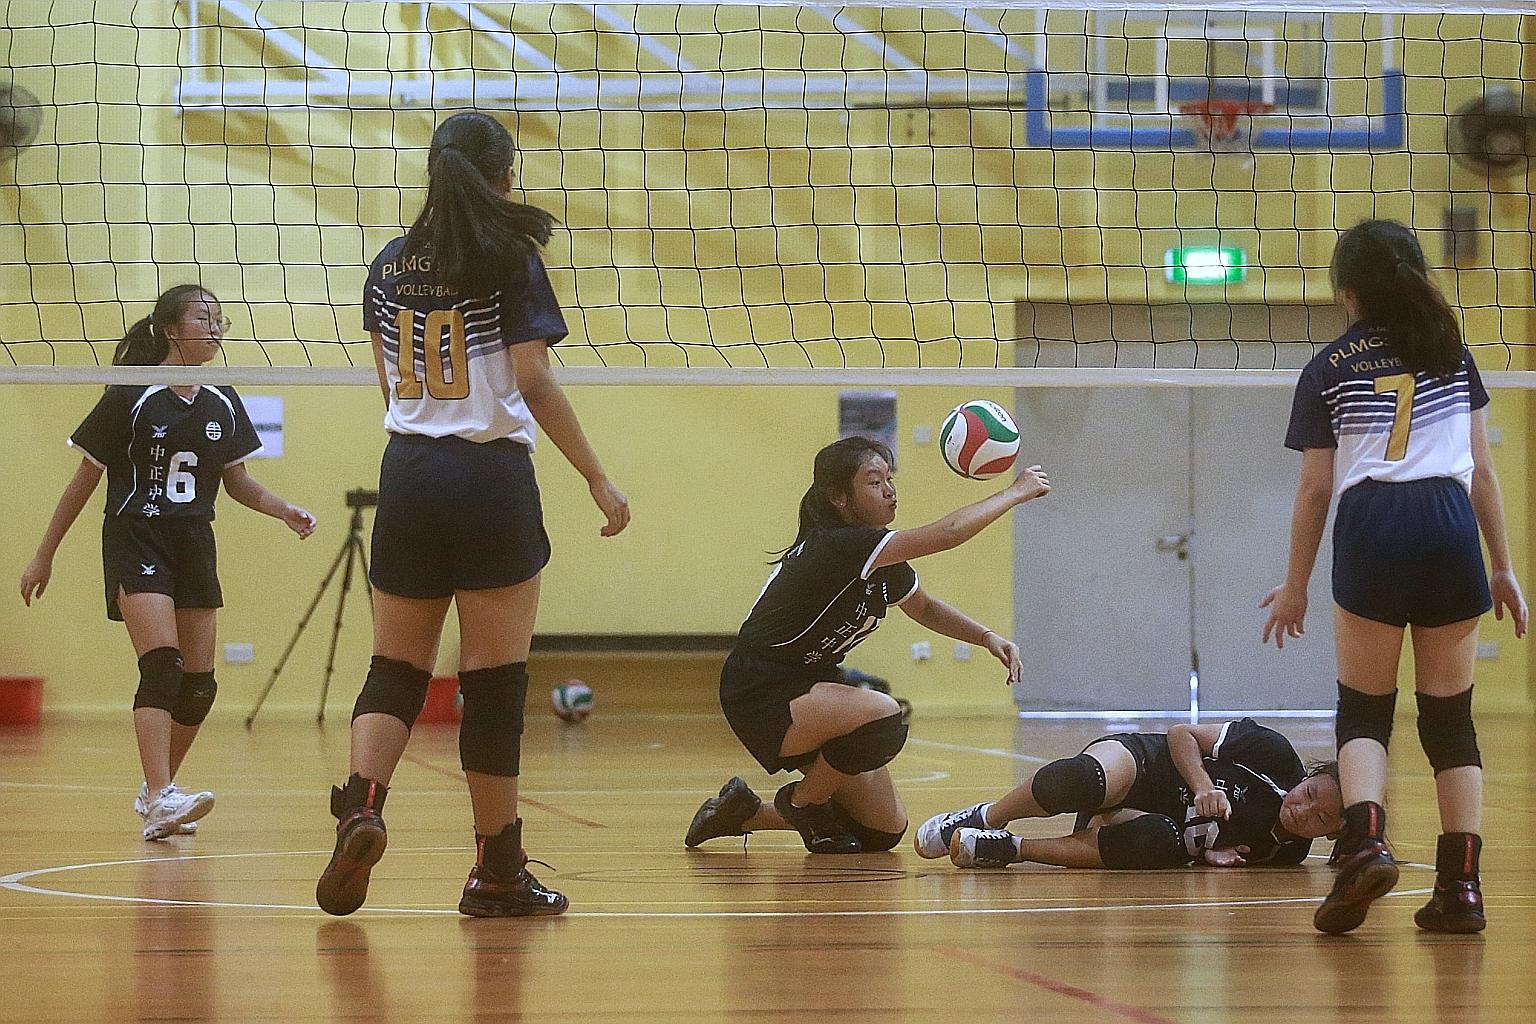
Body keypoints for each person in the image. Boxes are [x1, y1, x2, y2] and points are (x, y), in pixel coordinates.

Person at [315, 111, 629, 918]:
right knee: (492, 685)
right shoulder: (508, 260)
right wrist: (597, 476)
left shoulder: (388, 265)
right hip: (489, 478)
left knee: (395, 667)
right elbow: (534, 380)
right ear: (503, 177)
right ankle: (497, 873)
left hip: (409, 472)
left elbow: (389, 385)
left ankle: (361, 807)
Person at [1261, 218, 1527, 934]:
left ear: (1348, 292)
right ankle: (1460, 888)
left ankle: (1366, 845)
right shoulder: (1450, 352)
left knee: (1364, 712)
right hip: (1448, 521)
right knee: (1451, 722)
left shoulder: (1329, 366)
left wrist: (1295, 585)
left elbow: (1315, 490)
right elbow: (1483, 472)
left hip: (1374, 522)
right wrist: (1503, 567)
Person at [19, 285, 317, 841]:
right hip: (136, 535)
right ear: (169, 329)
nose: (215, 329)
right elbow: (84, 481)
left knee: (199, 686)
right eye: (204, 318)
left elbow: (239, 482)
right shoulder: (131, 393)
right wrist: (44, 554)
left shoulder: (222, 397)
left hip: (194, 540)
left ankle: (160, 792)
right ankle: (160, 796)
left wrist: (283, 510)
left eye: (219, 320)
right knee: (162, 666)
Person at [685, 436, 1049, 854]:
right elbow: (949, 533)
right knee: (882, 716)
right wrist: (1015, 492)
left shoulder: (878, 559)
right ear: (839, 497)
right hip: (761, 691)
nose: (889, 490)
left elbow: (924, 607)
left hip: (812, 685)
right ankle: (803, 804)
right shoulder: (838, 545)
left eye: (890, 479)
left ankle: (743, 813)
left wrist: (985, 637)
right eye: (875, 482)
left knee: (882, 831)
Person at [915, 719, 1343, 870]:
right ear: (1308, 776)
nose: (1302, 809)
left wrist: (1210, 857)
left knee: (1158, 843)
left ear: (1332, 832)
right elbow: (1181, 734)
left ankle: (1011, 848)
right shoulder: (1273, 753)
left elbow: (1208, 849)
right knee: (1079, 780)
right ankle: (988, 816)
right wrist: (1202, 785)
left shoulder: (1286, 853)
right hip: (1145, 764)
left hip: (1144, 822)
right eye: (1308, 793)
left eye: (1320, 817)